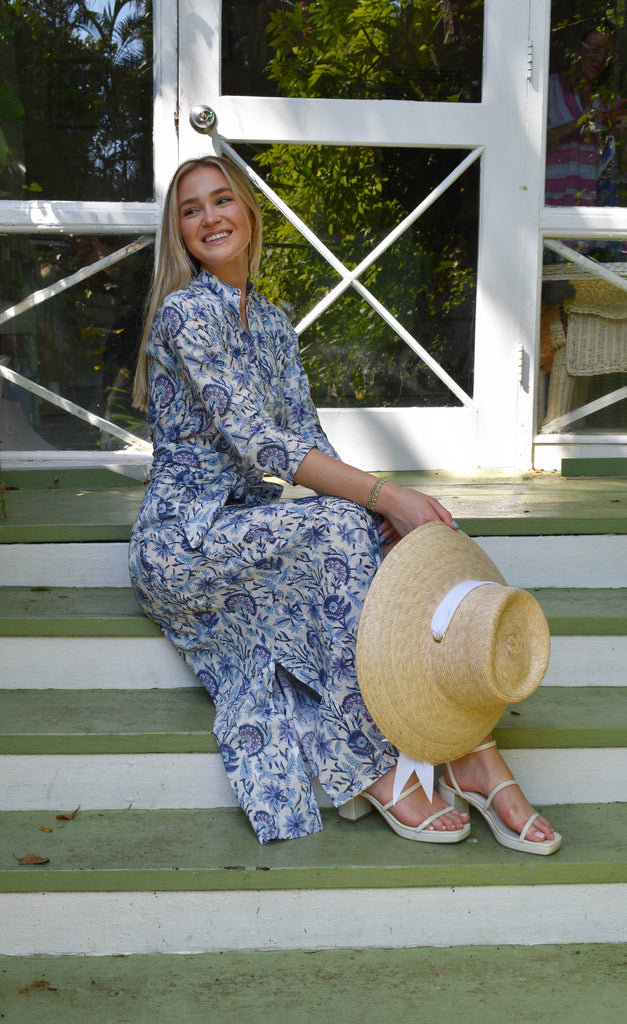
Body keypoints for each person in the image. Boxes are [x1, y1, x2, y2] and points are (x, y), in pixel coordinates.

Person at [129, 154, 559, 852]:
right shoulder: (185, 315)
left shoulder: (269, 322)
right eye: (191, 209)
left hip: (246, 525)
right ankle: (376, 769)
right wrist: (387, 494)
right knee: (339, 525)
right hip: (186, 540)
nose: (209, 217)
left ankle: (469, 749)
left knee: (387, 536)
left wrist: (386, 512)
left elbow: (307, 441)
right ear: (179, 233)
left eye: (221, 200)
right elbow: (261, 446)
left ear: (249, 214)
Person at [545, 27, 622, 207]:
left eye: (607, 54)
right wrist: (579, 122)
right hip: (552, 197)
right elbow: (531, 143)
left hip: (595, 200)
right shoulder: (550, 88)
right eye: (595, 50)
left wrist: (619, 136)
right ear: (578, 50)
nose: (600, 59)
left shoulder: (610, 100)